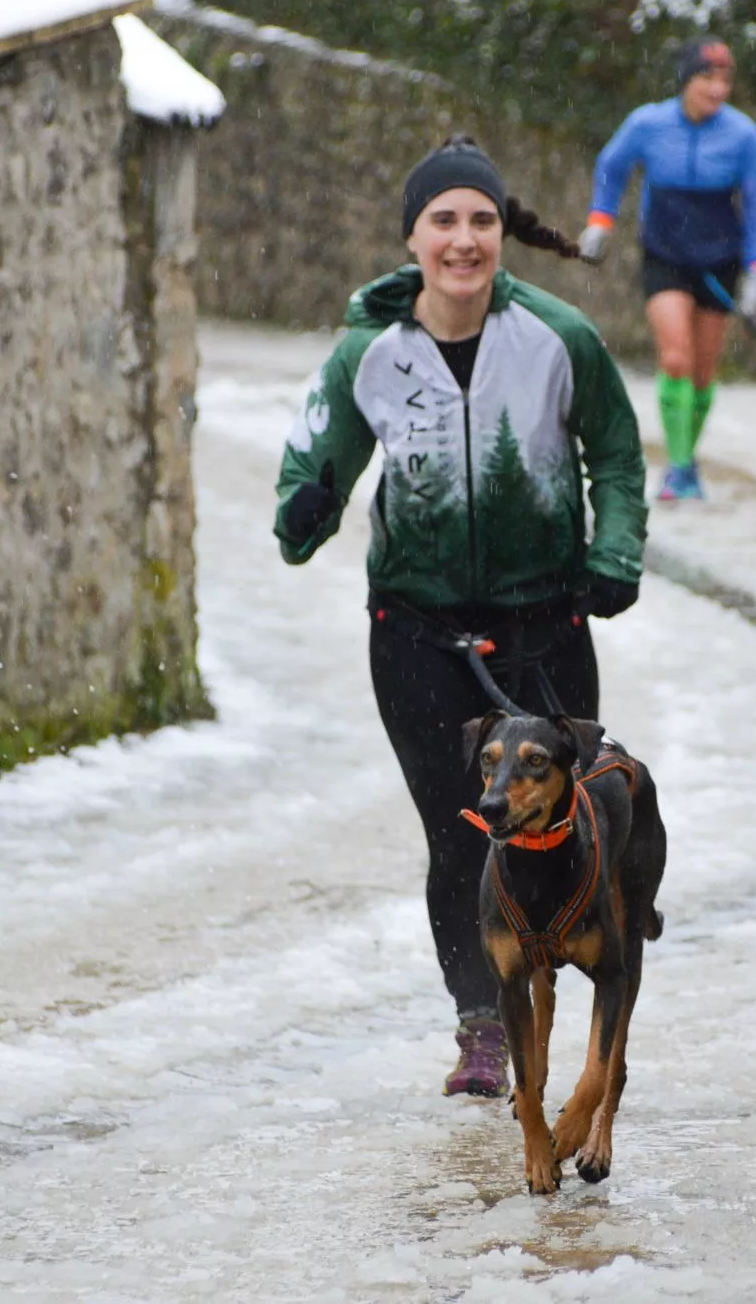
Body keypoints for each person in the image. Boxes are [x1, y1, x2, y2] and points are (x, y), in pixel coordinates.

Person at [273, 137, 649, 1099]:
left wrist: (614, 553)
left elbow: (615, 452)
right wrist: (305, 511)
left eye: (481, 219)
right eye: (443, 220)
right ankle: (484, 1025)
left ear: (501, 234)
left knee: (570, 821)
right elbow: (309, 477)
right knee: (465, 832)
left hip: (545, 624)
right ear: (413, 237)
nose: (464, 239)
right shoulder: (367, 353)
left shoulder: (560, 338)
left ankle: (579, 977)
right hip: (419, 635)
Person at [580, 36, 756, 501]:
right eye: (707, 78)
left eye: (725, 80)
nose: (717, 89)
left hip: (719, 260)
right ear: (685, 80)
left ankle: (688, 462)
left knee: (704, 373)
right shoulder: (648, 123)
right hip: (665, 254)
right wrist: (600, 220)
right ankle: (678, 466)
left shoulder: (743, 136)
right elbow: (612, 165)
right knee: (675, 358)